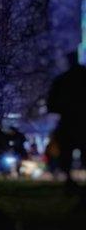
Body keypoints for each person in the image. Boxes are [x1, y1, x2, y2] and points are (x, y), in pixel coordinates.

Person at [47, 51, 86, 194]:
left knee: (66, 150)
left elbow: (51, 103)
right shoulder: (70, 78)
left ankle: (69, 179)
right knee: (69, 149)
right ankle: (69, 180)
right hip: (77, 120)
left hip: (70, 120)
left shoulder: (62, 79)